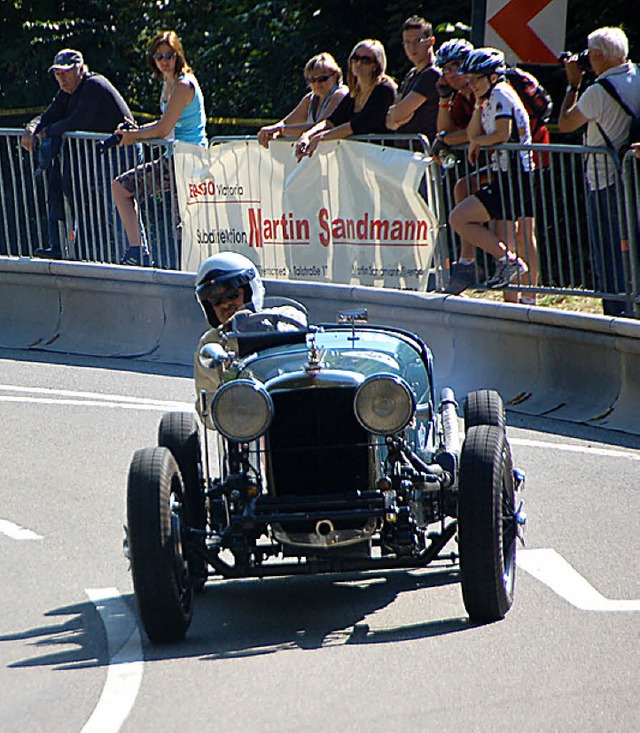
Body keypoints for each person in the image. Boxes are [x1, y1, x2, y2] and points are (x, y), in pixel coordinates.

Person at [20, 48, 134, 259]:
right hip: (101, 155)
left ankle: (135, 254)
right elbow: (49, 115)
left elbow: (78, 120)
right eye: (57, 73)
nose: (61, 78)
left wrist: (46, 132)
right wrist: (32, 128)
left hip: (120, 153)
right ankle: (88, 253)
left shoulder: (93, 84)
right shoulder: (68, 91)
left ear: (80, 69)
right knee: (89, 203)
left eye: (65, 72)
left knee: (117, 206)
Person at [558, 26, 640, 316]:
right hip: (635, 179)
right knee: (633, 248)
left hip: (606, 181)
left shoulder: (597, 92)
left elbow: (566, 123)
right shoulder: (638, 77)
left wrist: (572, 84)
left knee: (609, 251)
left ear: (598, 56)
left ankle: (618, 312)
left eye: (591, 56)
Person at [111, 30, 207, 267]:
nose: (164, 61)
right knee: (122, 188)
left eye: (169, 55)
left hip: (189, 160)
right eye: (159, 56)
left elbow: (164, 129)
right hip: (174, 158)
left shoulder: (184, 84)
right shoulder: (169, 82)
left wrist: (135, 136)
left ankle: (188, 272)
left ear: (178, 55)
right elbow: (164, 124)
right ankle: (138, 250)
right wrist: (136, 130)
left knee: (183, 224)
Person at [448, 48, 533, 291]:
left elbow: (502, 134)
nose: (471, 83)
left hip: (514, 175)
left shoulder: (501, 94)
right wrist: (477, 107)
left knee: (459, 218)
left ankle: (509, 262)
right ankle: (508, 266)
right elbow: (473, 133)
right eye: (469, 79)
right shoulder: (489, 98)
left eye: (476, 79)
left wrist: (477, 143)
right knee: (498, 231)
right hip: (504, 173)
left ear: (493, 76)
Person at [193, 252, 307, 424]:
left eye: (232, 295)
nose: (225, 304)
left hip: (296, 401)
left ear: (250, 291)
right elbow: (207, 409)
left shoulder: (284, 314)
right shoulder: (211, 343)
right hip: (248, 421)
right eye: (216, 300)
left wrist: (259, 324)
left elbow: (297, 328)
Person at [294, 39, 396, 161]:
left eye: (365, 60)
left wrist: (321, 138)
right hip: (360, 161)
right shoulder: (354, 92)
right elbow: (331, 121)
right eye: (355, 58)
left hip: (384, 160)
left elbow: (357, 125)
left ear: (376, 65)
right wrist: (307, 135)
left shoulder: (384, 89)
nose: (358, 63)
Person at [257, 53, 348, 148]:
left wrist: (280, 130)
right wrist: (272, 131)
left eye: (322, 79)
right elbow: (286, 122)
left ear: (336, 75)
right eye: (311, 80)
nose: (316, 84)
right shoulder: (310, 98)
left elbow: (321, 127)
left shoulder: (340, 94)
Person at [385, 16, 441, 144]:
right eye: (407, 42)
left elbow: (396, 115)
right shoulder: (410, 75)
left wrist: (396, 115)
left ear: (431, 41)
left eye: (418, 41)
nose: (412, 47)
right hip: (406, 153)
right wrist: (395, 116)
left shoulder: (432, 74)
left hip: (423, 153)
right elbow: (389, 121)